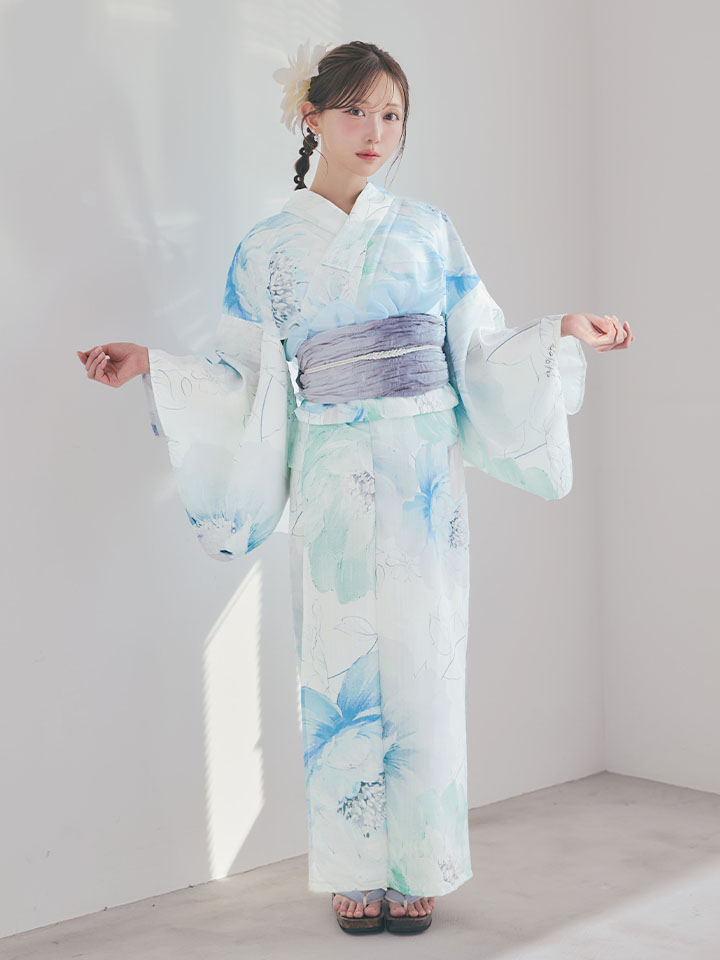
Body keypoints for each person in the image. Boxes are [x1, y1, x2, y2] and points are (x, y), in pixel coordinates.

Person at [77, 39, 634, 936]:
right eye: (356, 111)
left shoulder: (428, 231)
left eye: (392, 115)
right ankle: (353, 865)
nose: (375, 131)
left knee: (424, 657)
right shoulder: (267, 247)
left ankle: (421, 862)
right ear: (313, 116)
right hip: (332, 471)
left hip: (422, 470)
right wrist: (155, 364)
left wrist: (560, 331)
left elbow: (478, 349)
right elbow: (244, 378)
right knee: (337, 664)